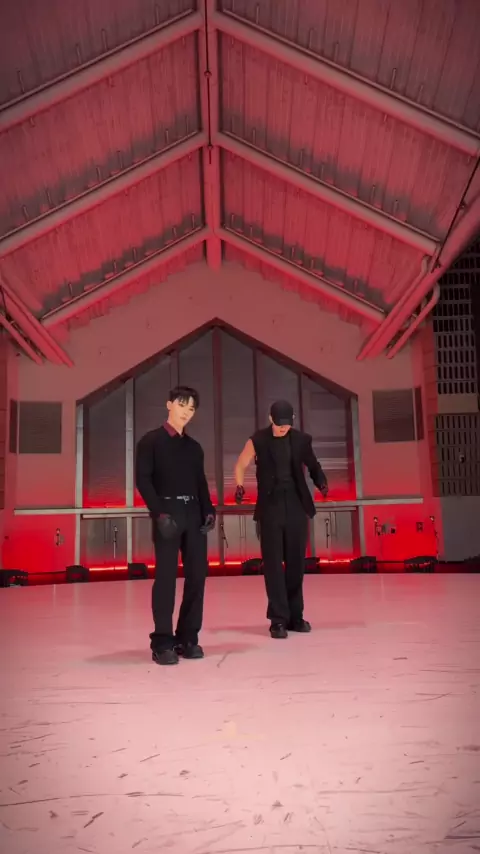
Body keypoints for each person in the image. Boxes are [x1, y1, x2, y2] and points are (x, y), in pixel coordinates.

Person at [135, 386, 216, 666]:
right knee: (166, 578)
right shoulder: (150, 441)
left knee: (197, 576)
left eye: (191, 408)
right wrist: (159, 513)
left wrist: (208, 510)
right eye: (182, 405)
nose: (186, 412)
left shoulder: (194, 448)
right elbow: (143, 480)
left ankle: (187, 637)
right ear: (169, 404)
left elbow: (201, 483)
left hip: (193, 514)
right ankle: (162, 642)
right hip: (167, 514)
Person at [234, 400, 328, 639]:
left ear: (292, 420)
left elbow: (313, 465)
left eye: (286, 424)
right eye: (278, 425)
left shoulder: (301, 440)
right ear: (270, 419)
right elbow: (241, 463)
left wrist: (321, 482)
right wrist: (239, 485)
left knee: (296, 562)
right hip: (270, 506)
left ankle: (295, 616)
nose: (282, 428)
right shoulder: (258, 440)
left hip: (296, 504)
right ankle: (278, 620)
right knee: (273, 565)